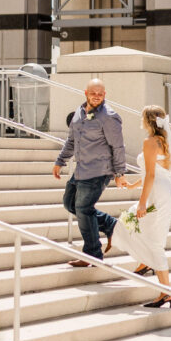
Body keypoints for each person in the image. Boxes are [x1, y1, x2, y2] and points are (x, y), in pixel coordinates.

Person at [108, 105, 171, 308]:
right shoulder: (164, 141)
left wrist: (141, 202)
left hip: (158, 191)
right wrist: (134, 184)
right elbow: (153, 171)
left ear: (147, 120)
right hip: (167, 190)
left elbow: (152, 175)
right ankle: (145, 262)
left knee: (139, 228)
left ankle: (166, 291)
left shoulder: (150, 142)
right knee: (135, 225)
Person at [53, 79, 128, 266]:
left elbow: (118, 147)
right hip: (80, 170)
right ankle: (112, 226)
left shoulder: (109, 117)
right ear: (85, 93)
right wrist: (60, 161)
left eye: (100, 94)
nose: (96, 96)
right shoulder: (78, 113)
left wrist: (120, 173)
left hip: (98, 171)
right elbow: (71, 140)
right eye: (93, 93)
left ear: (105, 95)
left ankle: (92, 254)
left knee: (84, 209)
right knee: (70, 204)